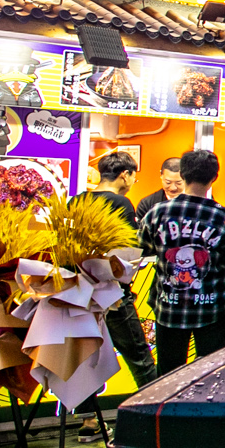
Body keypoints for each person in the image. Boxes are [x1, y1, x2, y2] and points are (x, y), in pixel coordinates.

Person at [138, 149, 225, 374]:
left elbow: (143, 246)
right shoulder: (222, 216)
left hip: (169, 305)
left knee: (168, 373)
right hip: (211, 307)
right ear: (214, 178)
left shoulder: (157, 213)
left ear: (182, 175)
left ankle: (169, 409)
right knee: (213, 372)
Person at [78, 153, 152, 418]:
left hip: (79, 293)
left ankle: (88, 421)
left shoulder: (77, 200)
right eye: (134, 175)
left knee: (86, 355)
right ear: (125, 175)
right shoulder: (121, 202)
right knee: (138, 353)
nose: (133, 180)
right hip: (111, 293)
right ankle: (155, 412)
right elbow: (129, 250)